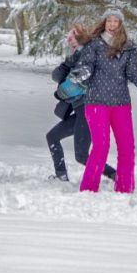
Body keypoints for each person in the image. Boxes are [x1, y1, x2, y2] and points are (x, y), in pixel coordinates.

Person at [71, 9, 137, 193]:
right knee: (101, 146)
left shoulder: (129, 47)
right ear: (104, 23)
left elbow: (132, 72)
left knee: (127, 147)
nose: (112, 24)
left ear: (121, 24)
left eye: (115, 21)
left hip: (121, 104)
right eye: (109, 20)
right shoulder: (94, 44)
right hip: (97, 103)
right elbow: (87, 65)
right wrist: (83, 73)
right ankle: (88, 189)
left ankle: (125, 189)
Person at [46, 25, 116, 183]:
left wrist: (62, 92)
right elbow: (56, 76)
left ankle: (116, 175)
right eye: (69, 38)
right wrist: (68, 63)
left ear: (83, 38)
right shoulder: (76, 56)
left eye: (74, 37)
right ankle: (61, 175)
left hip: (90, 110)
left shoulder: (90, 56)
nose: (71, 41)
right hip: (80, 110)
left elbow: (76, 84)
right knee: (52, 136)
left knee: (82, 156)